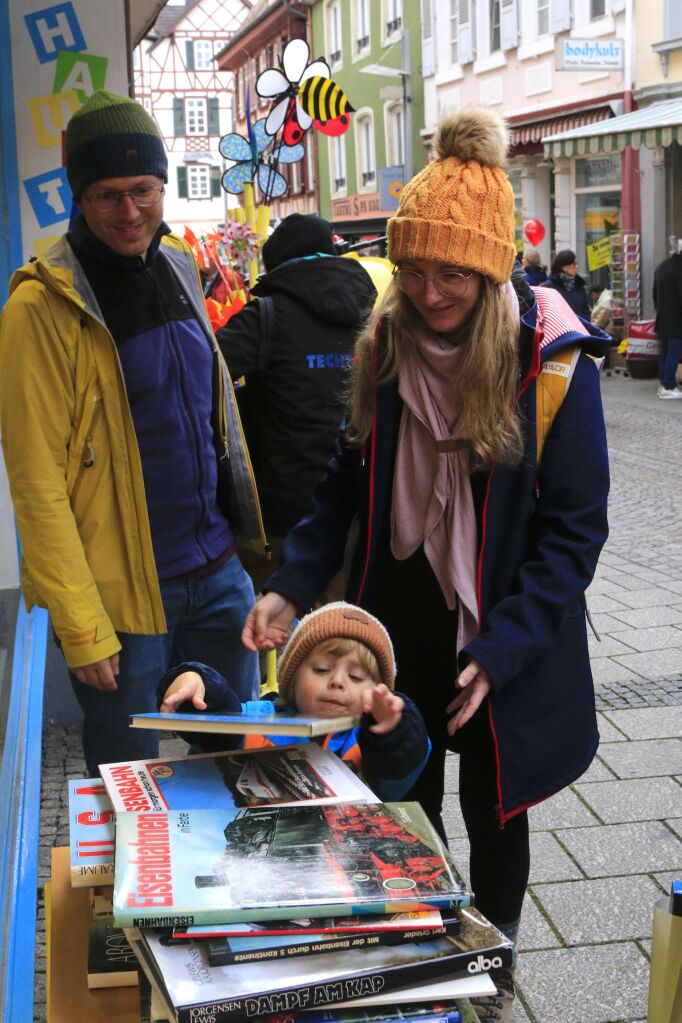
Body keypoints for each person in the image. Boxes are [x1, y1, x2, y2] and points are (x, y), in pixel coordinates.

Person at [241, 107, 611, 1021]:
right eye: (412, 269)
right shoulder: (386, 346)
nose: (430, 289)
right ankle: (429, 943)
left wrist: (502, 649)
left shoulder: (552, 365)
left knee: (498, 813)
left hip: (502, 634)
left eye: (451, 270)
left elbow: (575, 532)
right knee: (402, 792)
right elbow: (340, 487)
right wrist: (291, 583)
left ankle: (492, 970)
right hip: (398, 615)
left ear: (489, 267)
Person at [0, 91, 266, 775]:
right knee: (130, 784)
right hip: (122, 599)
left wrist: (248, 554)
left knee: (239, 766)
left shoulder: (178, 264)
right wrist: (82, 626)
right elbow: (37, 482)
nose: (129, 212)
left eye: (143, 190)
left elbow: (216, 421)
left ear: (163, 185)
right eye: (107, 194)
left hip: (217, 574)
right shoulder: (40, 305)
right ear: (78, 197)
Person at [216, 213, 377, 591]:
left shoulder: (265, 315)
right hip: (358, 506)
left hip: (278, 514)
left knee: (273, 629)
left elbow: (201, 375)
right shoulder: (375, 310)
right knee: (337, 634)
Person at [158, 602, 430, 801]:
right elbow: (216, 716)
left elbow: (401, 765)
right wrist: (195, 680)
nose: (337, 681)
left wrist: (395, 727)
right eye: (322, 669)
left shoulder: (368, 743)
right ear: (293, 677)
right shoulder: (260, 723)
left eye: (357, 676)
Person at [653, 249, 682, 399]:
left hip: (663, 317)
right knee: (673, 351)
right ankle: (668, 385)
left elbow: (654, 293)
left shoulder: (662, 266)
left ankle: (664, 384)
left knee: (665, 351)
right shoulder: (679, 269)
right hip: (677, 318)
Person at [542, 249, 591, 319]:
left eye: (576, 264)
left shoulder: (579, 285)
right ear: (564, 267)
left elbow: (586, 311)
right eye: (574, 264)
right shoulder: (548, 287)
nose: (576, 267)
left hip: (579, 328)